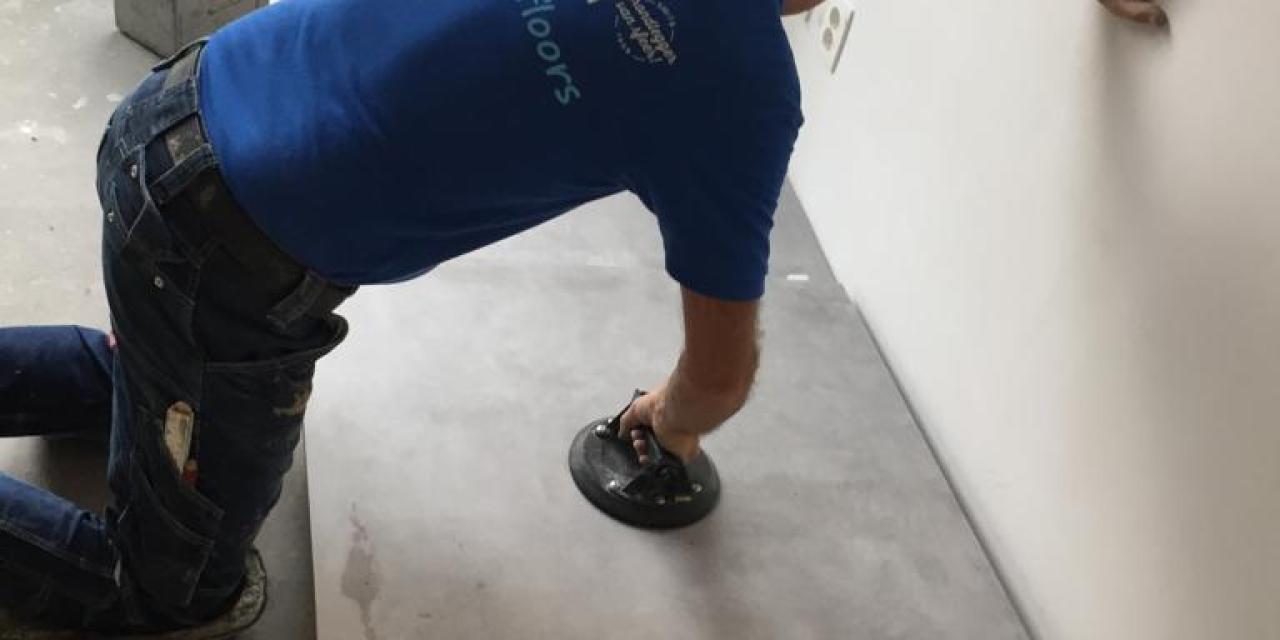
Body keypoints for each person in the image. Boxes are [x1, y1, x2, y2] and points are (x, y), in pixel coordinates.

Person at [0, 0, 823, 634]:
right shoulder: (739, 86)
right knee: (167, 593)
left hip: (183, 102)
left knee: (163, 373)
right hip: (214, 249)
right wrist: (668, 422)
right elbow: (717, 380)